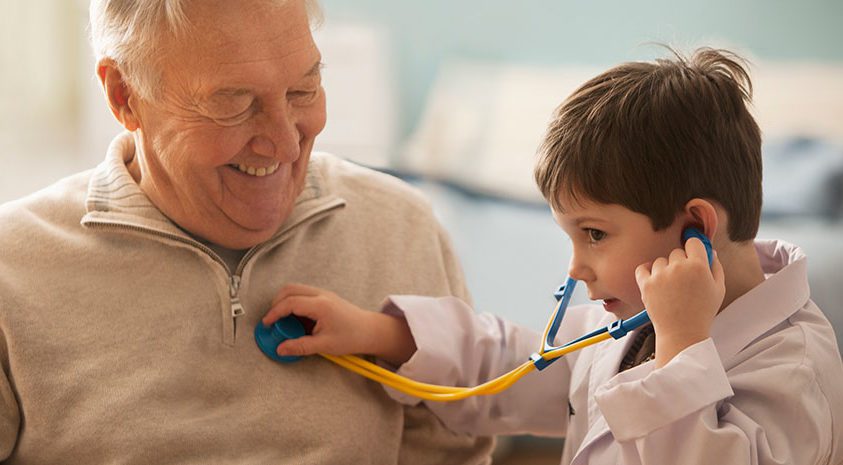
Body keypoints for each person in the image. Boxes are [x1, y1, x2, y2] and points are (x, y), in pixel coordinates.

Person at [261, 48, 843, 464]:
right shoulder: (628, 326)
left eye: (594, 235)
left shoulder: (793, 369)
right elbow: (519, 366)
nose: (576, 268)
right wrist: (379, 334)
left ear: (695, 229)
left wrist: (684, 349)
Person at [0, 0, 496, 462]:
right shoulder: (13, 269)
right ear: (124, 95)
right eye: (234, 103)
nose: (284, 143)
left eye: (303, 90)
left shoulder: (399, 227)